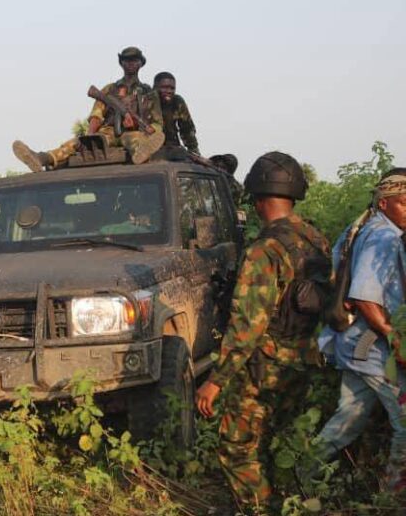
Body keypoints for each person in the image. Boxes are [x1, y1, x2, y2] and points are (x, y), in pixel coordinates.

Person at [195, 152, 331, 512]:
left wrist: (215, 381)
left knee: (237, 446)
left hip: (264, 366)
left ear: (257, 201)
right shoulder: (316, 239)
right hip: (303, 359)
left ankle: (259, 508)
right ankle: (287, 503)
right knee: (278, 440)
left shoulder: (264, 250)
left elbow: (247, 325)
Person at [312, 170, 406, 491]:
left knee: (348, 419)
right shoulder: (384, 236)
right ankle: (394, 495)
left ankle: (300, 473)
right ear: (384, 203)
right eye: (404, 204)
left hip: (355, 344)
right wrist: (395, 339)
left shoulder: (364, 227)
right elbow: (364, 297)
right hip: (371, 345)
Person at [12, 46, 165, 171]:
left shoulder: (149, 93)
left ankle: (141, 156)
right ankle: (40, 158)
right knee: (75, 143)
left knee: (137, 141)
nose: (131, 63)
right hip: (108, 132)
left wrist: (144, 128)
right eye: (127, 60)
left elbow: (158, 123)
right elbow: (96, 115)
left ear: (141, 63)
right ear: (121, 63)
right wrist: (89, 136)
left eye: (135, 60)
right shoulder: (109, 90)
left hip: (134, 133)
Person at [154, 71, 199, 155]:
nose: (169, 91)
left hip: (172, 146)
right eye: (164, 87)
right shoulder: (146, 101)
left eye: (172, 88)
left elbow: (187, 128)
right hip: (149, 147)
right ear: (155, 87)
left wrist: (194, 151)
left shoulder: (177, 101)